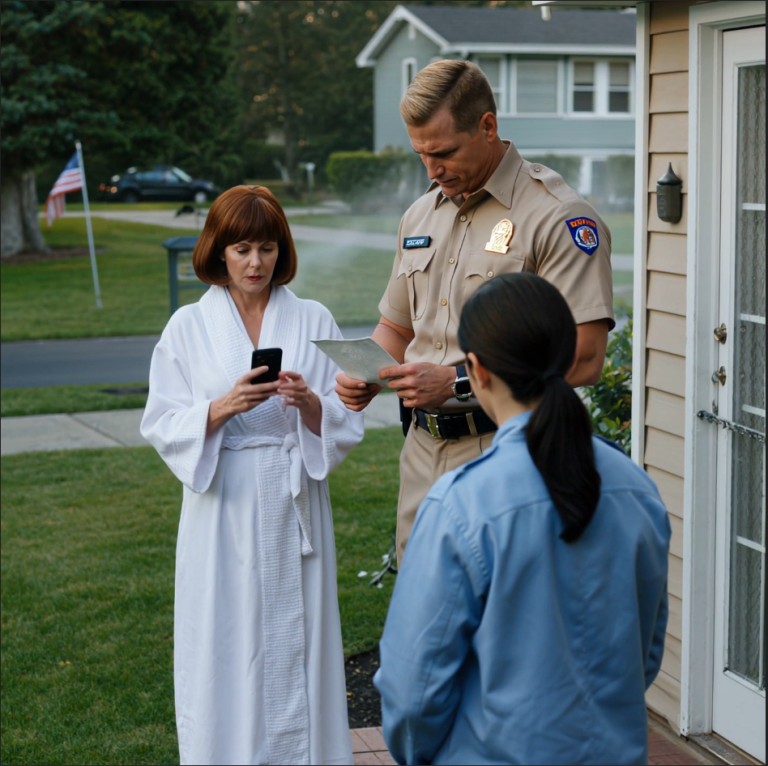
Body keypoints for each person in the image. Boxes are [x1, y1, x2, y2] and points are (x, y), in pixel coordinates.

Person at [374, 272, 671, 766]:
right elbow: (645, 651)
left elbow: (413, 689)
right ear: (565, 358)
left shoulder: (462, 505)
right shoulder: (636, 489)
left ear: (477, 370)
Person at [336, 59, 615, 565]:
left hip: (511, 452)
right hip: (422, 450)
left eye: (443, 152)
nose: (432, 170)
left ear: (487, 126)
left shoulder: (556, 216)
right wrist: (369, 371)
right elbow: (398, 325)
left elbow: (587, 357)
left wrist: (457, 383)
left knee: (502, 620)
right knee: (423, 623)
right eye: (420, 154)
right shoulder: (420, 214)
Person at [140, 185, 364, 765]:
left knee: (300, 642)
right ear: (218, 251)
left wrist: (310, 404)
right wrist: (220, 408)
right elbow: (161, 420)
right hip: (224, 505)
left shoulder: (312, 318)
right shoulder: (188, 328)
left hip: (294, 497)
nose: (256, 263)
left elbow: (343, 417)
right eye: (242, 249)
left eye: (266, 248)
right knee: (225, 641)